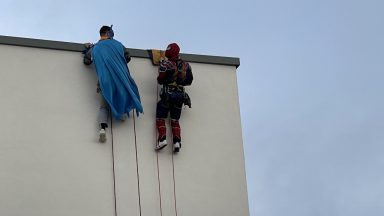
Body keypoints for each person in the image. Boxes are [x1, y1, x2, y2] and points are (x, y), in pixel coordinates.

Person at [83, 25, 143, 143]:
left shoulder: (95, 48)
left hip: (104, 81)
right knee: (124, 92)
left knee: (103, 106)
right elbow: (128, 57)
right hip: (120, 78)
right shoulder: (119, 45)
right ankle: (121, 113)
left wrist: (90, 49)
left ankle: (102, 128)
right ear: (108, 33)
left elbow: (86, 61)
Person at [155, 43, 193, 152]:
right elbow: (189, 81)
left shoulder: (166, 64)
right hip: (181, 95)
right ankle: (177, 142)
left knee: (160, 118)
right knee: (175, 120)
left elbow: (160, 80)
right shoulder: (187, 65)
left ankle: (162, 139)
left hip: (168, 94)